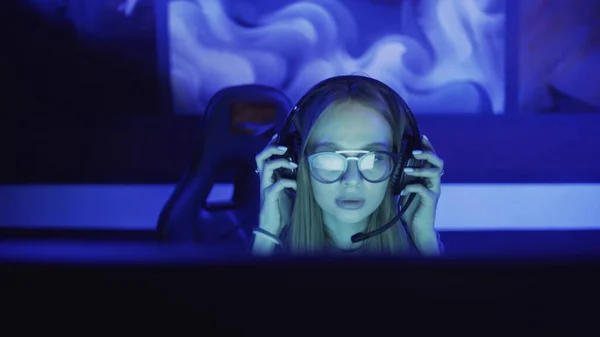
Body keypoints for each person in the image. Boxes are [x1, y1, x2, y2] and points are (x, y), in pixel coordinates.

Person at [252, 76, 444, 257]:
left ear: (401, 168)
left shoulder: (422, 250)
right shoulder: (268, 251)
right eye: (329, 158)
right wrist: (267, 234)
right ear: (295, 165)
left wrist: (425, 240)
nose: (351, 180)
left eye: (373, 158)